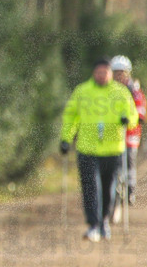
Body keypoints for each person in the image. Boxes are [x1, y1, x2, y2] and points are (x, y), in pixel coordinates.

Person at [59, 57, 138, 241]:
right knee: (90, 187)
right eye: (99, 72)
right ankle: (93, 224)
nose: (102, 76)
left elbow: (132, 114)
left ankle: (104, 222)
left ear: (110, 74)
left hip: (113, 149)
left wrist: (128, 120)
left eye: (105, 72)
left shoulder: (120, 92)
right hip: (87, 148)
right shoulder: (82, 91)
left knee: (109, 188)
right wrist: (66, 139)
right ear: (94, 73)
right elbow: (71, 116)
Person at [109, 55, 146, 205]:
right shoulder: (109, 90)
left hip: (131, 132)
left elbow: (140, 106)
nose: (119, 77)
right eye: (116, 73)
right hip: (114, 132)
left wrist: (138, 117)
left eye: (122, 73)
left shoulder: (134, 90)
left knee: (129, 159)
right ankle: (115, 188)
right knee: (114, 161)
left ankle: (131, 189)